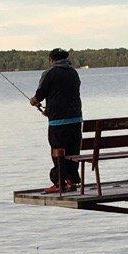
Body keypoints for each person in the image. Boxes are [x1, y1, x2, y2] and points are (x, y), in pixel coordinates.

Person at [30, 48, 82, 191]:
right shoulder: (73, 73)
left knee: (58, 151)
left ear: (51, 60)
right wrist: (50, 109)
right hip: (76, 119)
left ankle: (59, 182)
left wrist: (33, 101)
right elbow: (67, 96)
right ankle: (72, 179)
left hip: (58, 122)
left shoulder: (50, 73)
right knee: (73, 151)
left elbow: (40, 94)